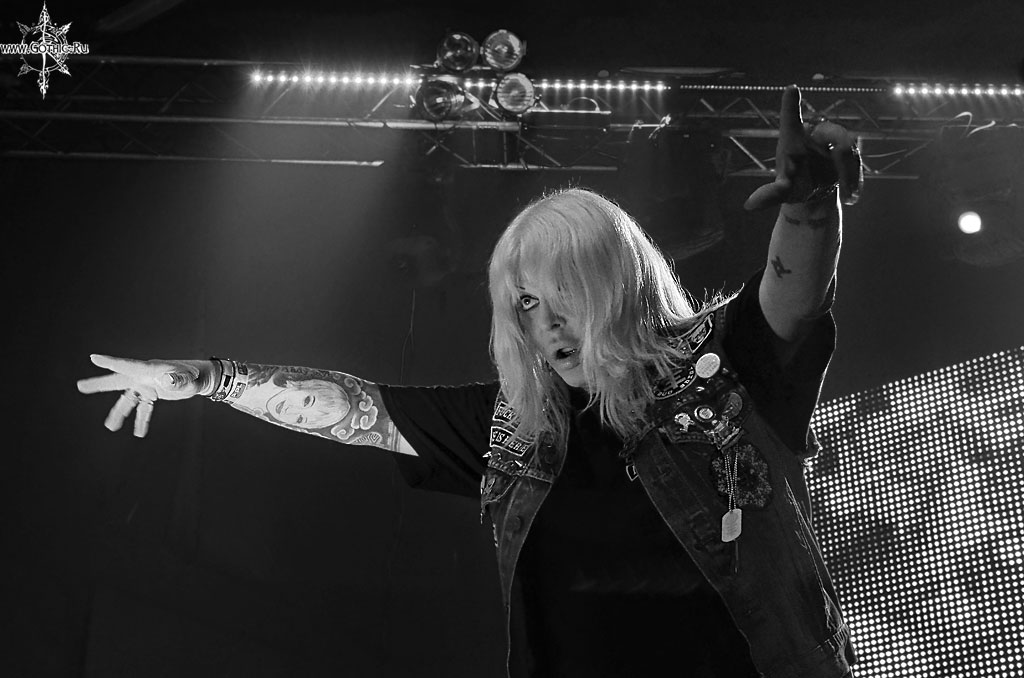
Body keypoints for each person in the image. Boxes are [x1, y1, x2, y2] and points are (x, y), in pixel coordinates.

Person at [78, 85, 863, 677]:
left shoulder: (724, 367)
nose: (547, 323)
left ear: (616, 283)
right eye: (526, 304)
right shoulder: (516, 426)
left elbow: (793, 296)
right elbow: (357, 410)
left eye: (564, 293)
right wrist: (212, 379)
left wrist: (810, 204)